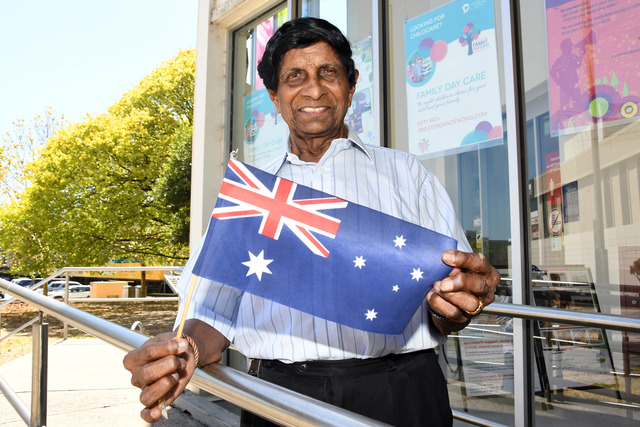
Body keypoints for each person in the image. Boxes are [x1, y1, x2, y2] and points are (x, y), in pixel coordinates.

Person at [123, 17, 500, 426]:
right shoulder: (252, 196)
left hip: (402, 393)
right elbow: (212, 314)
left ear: (351, 86)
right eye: (294, 77)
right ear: (274, 96)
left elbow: (451, 299)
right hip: (278, 398)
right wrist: (186, 351)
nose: (314, 89)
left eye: (328, 73)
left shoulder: (409, 176)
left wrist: (461, 302)